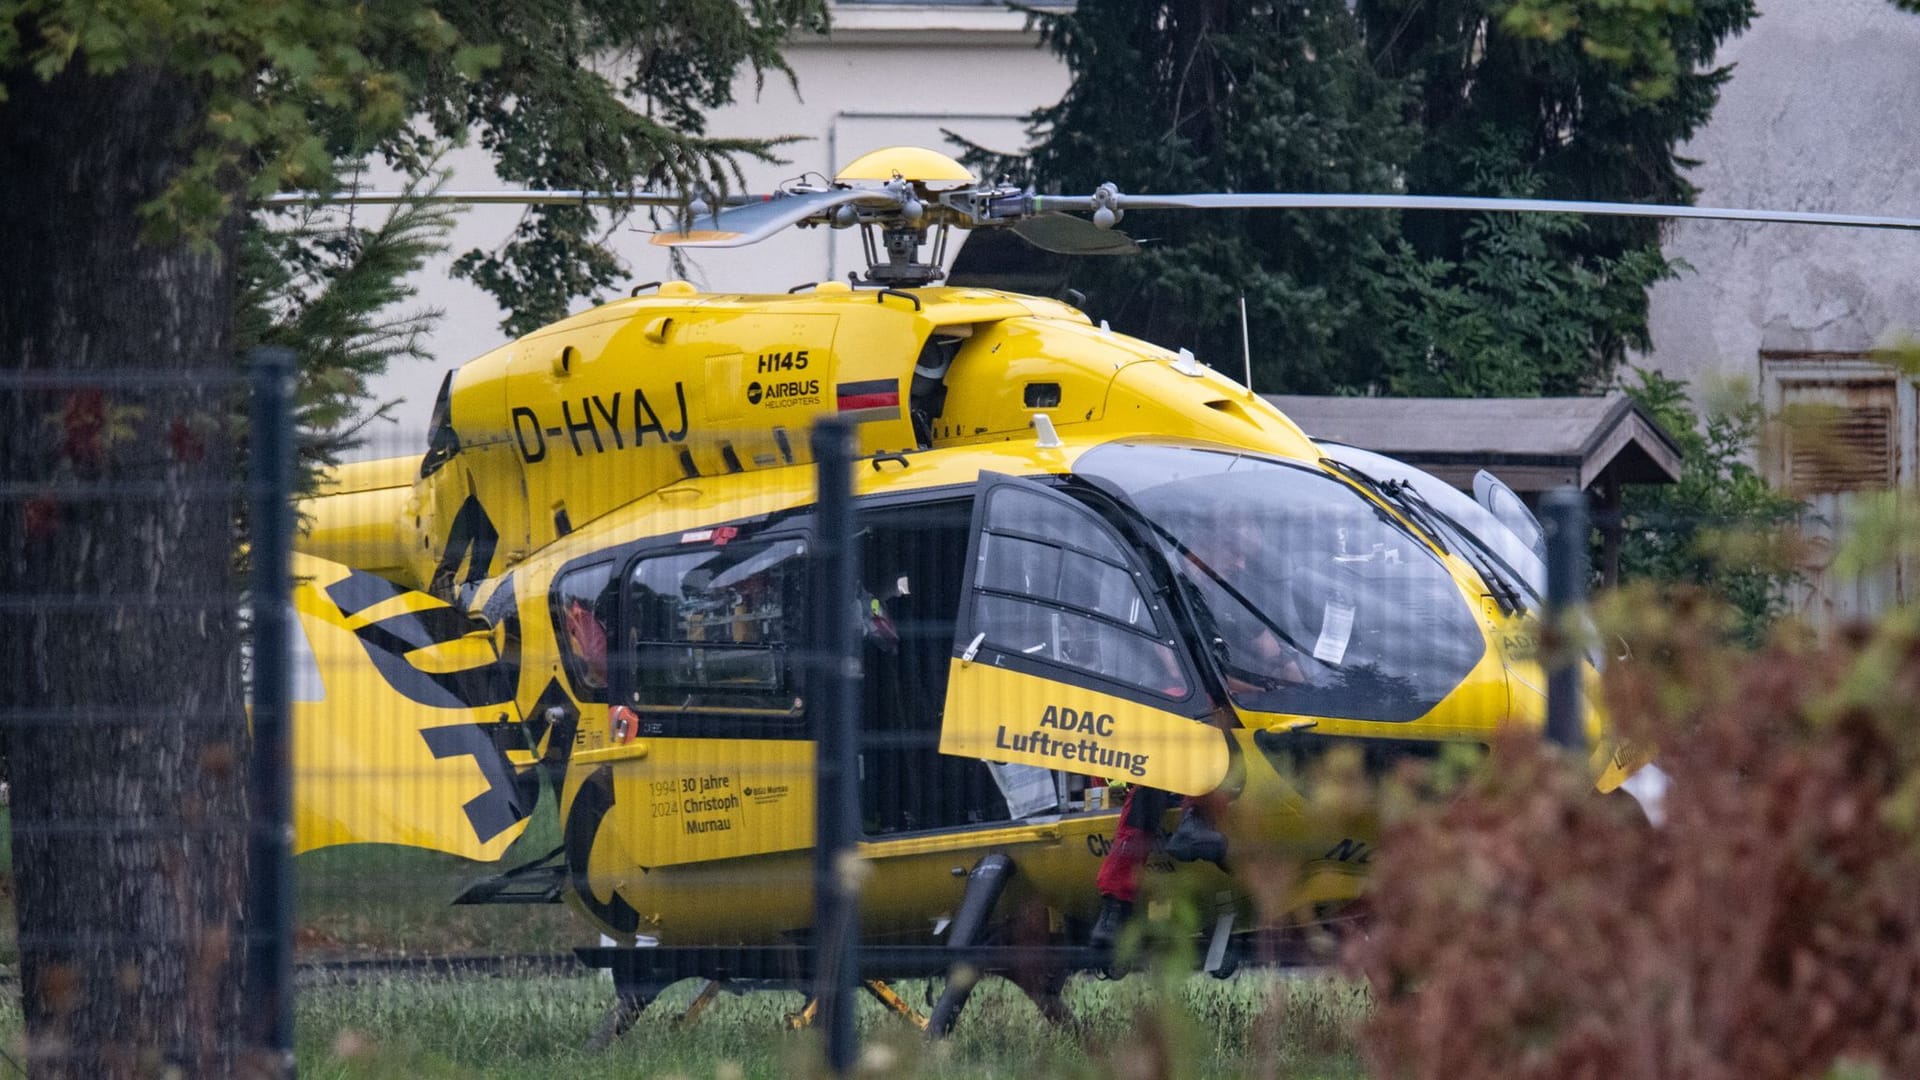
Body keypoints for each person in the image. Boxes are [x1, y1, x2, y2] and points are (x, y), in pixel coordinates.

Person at [1089, 505, 1299, 949]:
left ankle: (1116, 906)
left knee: (1166, 772)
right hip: (1146, 716)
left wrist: (1298, 675)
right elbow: (1180, 671)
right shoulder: (1167, 590)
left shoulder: (1217, 595)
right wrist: (1264, 691)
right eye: (1236, 555)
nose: (1241, 566)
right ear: (1209, 543)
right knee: (1204, 713)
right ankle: (1194, 818)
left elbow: (1269, 647)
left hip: (1172, 743)